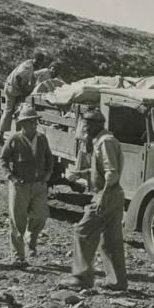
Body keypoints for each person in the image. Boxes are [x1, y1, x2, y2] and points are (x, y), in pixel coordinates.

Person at [60, 110, 128, 291]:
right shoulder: (103, 140)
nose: (85, 128)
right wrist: (82, 174)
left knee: (82, 232)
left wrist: (102, 198)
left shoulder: (105, 142)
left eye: (88, 124)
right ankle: (117, 282)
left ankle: (81, 278)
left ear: (98, 124)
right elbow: (101, 170)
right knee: (110, 241)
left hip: (107, 194)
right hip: (114, 195)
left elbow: (111, 172)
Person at [0, 104, 54, 267]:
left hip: (39, 185)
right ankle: (18, 256)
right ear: (22, 124)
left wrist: (48, 174)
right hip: (20, 186)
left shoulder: (42, 138)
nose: (33, 125)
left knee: (41, 215)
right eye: (29, 122)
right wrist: (11, 177)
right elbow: (2, 159)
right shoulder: (14, 139)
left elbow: (49, 157)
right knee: (17, 221)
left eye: (35, 122)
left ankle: (31, 237)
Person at [0, 49, 45, 145]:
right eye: (39, 62)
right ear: (36, 60)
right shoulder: (28, 66)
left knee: (9, 111)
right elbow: (19, 77)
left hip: (11, 87)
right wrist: (23, 91)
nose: (40, 64)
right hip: (14, 89)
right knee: (17, 111)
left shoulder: (29, 64)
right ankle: (15, 137)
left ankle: (1, 135)